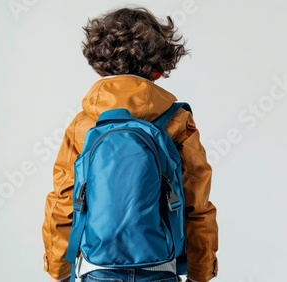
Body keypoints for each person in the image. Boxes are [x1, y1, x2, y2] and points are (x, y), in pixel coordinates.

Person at [41, 6, 218, 282]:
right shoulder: (178, 121)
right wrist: (200, 272)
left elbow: (63, 201)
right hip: (160, 268)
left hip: (97, 269)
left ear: (99, 68)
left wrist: (58, 270)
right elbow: (197, 203)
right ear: (158, 71)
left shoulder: (84, 125)